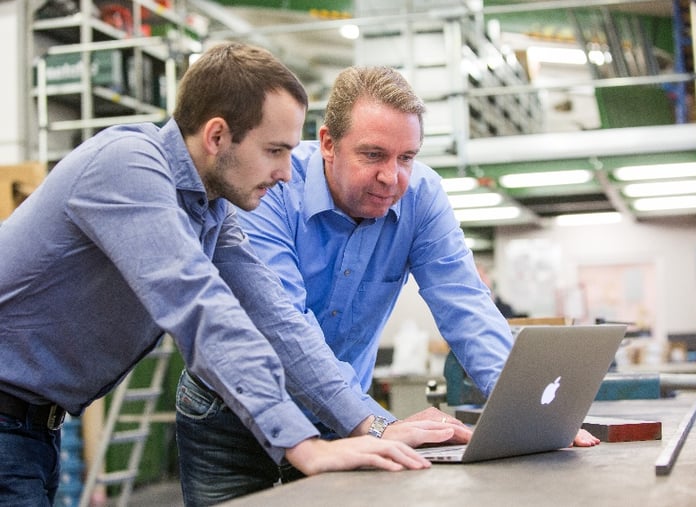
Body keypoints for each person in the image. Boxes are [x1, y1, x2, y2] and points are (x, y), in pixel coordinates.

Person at [0, 43, 459, 506]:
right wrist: (303, 445)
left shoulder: (211, 210)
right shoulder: (127, 167)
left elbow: (274, 319)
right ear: (218, 136)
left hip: (33, 426)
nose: (286, 173)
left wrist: (373, 424)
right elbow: (200, 310)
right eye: (275, 150)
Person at [177, 65, 601, 505]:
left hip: (340, 419)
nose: (392, 177)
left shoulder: (422, 196)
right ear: (327, 144)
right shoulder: (269, 187)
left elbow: (466, 305)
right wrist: (377, 424)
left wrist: (530, 410)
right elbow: (282, 327)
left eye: (406, 157)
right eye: (373, 155)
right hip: (233, 414)